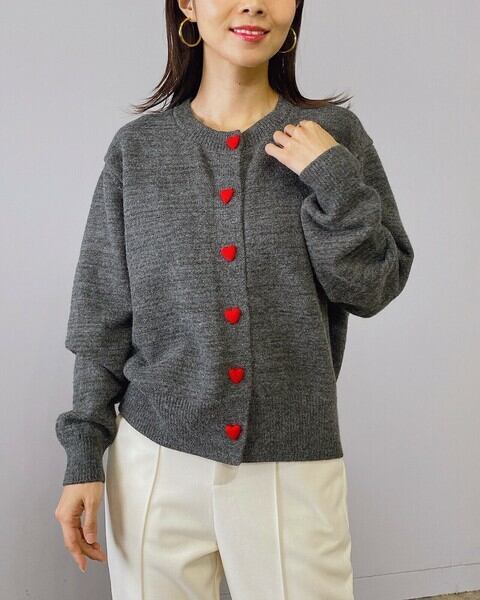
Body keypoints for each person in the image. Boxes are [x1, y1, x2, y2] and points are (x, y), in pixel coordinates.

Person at [54, 1, 415, 599]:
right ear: (188, 5)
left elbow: (373, 287)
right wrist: (83, 456)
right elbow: (102, 317)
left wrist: (330, 177)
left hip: (291, 462)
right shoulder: (138, 150)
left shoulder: (335, 138)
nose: (253, 4)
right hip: (153, 461)